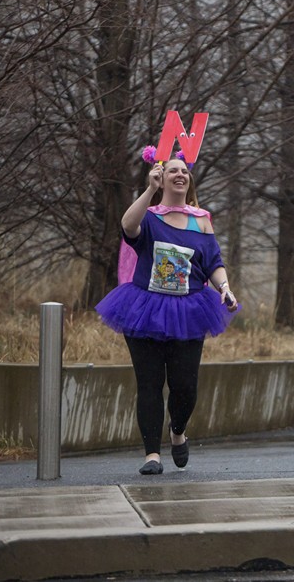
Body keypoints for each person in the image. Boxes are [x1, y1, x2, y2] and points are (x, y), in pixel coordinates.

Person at [96, 154, 239, 475]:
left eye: (184, 171)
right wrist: (149, 190)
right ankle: (152, 455)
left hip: (188, 311)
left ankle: (178, 431)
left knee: (185, 386)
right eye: (172, 170)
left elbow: (213, 262)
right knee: (149, 384)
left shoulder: (201, 220)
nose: (179, 174)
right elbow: (127, 226)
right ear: (162, 178)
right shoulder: (148, 217)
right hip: (144, 310)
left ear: (189, 179)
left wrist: (225, 288)